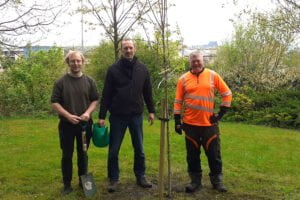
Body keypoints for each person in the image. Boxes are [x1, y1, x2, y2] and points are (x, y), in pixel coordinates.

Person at [98, 39, 155, 193]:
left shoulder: (142, 69)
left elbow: (147, 92)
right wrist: (102, 115)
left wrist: (151, 111)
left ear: (135, 49)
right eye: (125, 48)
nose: (128, 50)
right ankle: (113, 179)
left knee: (140, 149)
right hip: (117, 116)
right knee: (114, 150)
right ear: (121, 50)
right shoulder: (113, 70)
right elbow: (107, 94)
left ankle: (141, 176)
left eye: (130, 48)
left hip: (136, 116)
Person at [173, 51, 232, 193]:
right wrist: (177, 120)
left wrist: (220, 114)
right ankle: (195, 181)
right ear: (189, 62)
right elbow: (178, 101)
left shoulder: (213, 75)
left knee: (214, 155)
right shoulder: (183, 79)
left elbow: (227, 94)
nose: (196, 63)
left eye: (198, 60)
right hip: (190, 125)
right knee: (192, 156)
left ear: (203, 60)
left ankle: (217, 181)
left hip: (209, 126)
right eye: (193, 60)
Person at [51, 51, 99, 195]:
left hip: (84, 126)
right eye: (73, 61)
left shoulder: (90, 81)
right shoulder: (61, 82)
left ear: (82, 62)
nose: (76, 64)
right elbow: (54, 102)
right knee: (67, 155)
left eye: (78, 61)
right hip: (67, 126)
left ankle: (83, 183)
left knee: (83, 154)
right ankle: (67, 185)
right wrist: (67, 115)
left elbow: (95, 100)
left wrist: (87, 113)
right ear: (68, 62)